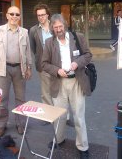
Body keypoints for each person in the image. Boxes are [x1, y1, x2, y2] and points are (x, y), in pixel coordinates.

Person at [42, 14, 92, 159]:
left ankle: (83, 147)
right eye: (55, 27)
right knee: (59, 115)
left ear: (65, 25)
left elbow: (88, 55)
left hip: (76, 81)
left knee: (78, 116)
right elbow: (44, 64)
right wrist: (57, 71)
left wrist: (77, 63)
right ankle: (59, 139)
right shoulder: (49, 42)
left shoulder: (78, 37)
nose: (58, 29)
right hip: (59, 83)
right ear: (52, 28)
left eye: (60, 26)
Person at [0, 6, 32, 137]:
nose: (14, 16)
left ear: (19, 17)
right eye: (11, 14)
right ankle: (1, 125)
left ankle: (20, 124)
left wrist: (29, 67)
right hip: (3, 69)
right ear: (7, 15)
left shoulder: (24, 32)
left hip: (20, 69)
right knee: (2, 99)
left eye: (17, 14)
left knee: (21, 99)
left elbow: (28, 51)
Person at [29, 3, 53, 106]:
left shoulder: (55, 26)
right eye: (39, 15)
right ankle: (49, 114)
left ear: (47, 14)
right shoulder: (34, 30)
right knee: (46, 92)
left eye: (43, 15)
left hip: (58, 65)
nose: (41, 17)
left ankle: (64, 116)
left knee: (62, 91)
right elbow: (33, 48)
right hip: (43, 65)